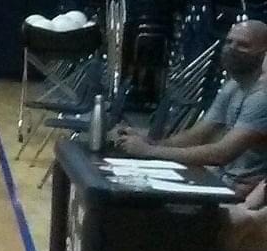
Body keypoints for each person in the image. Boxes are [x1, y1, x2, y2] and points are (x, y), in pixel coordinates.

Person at [113, 19, 267, 192]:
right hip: (222, 179)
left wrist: (149, 151)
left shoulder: (261, 96)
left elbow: (221, 154)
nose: (232, 48)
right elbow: (197, 136)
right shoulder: (233, 86)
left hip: (242, 190)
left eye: (243, 45)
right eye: (229, 42)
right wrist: (150, 142)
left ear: (264, 52)